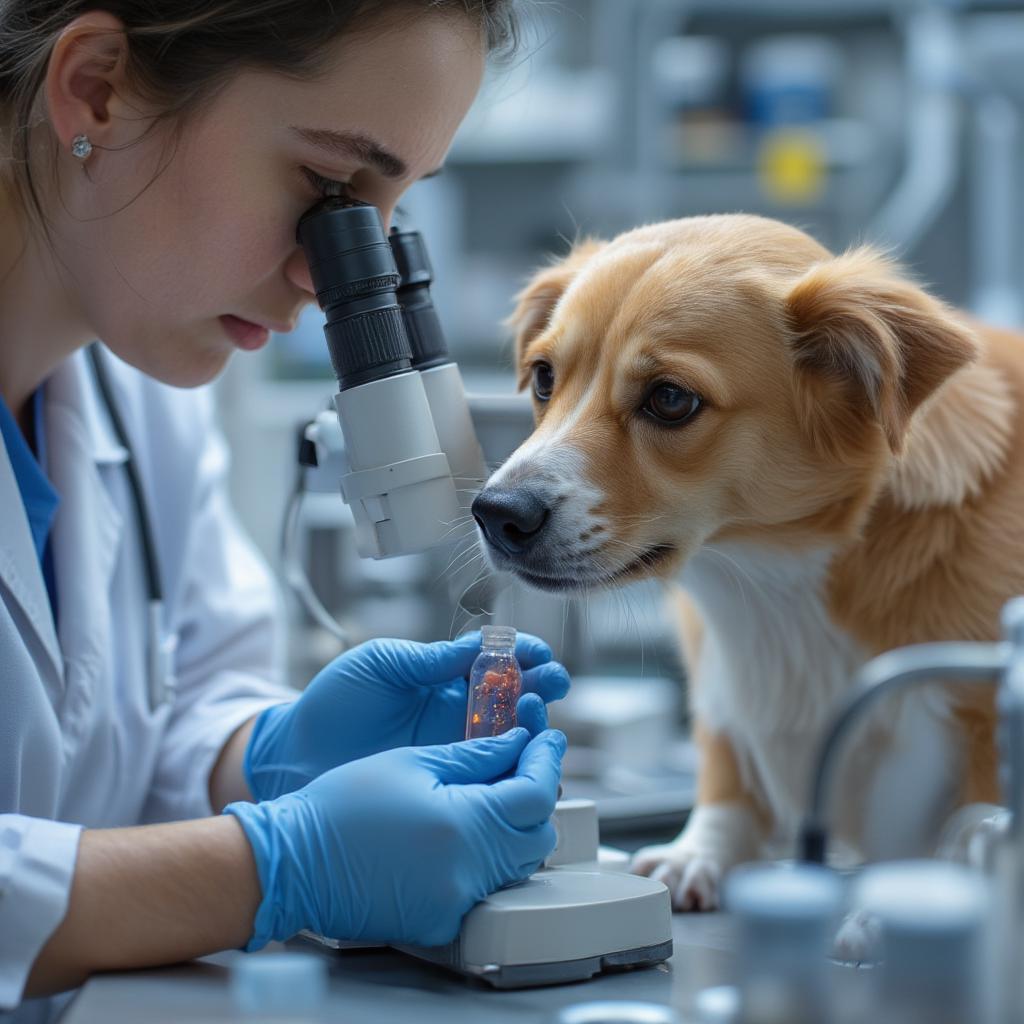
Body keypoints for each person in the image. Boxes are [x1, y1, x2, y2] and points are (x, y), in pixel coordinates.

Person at [0, 1, 571, 1016]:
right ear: (96, 89)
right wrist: (273, 865)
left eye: (384, 217)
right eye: (327, 188)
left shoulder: (144, 391)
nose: (326, 277)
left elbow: (160, 720)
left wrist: (268, 759)